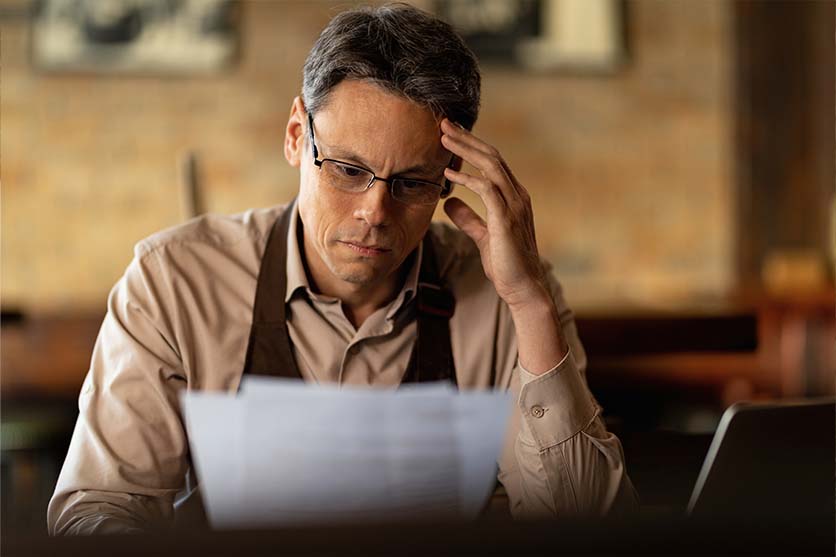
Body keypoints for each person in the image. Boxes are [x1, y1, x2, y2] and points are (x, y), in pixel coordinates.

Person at [48, 3, 638, 535]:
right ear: (297, 135)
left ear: (450, 174)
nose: (375, 213)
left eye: (411, 182)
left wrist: (529, 303)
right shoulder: (174, 281)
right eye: (347, 170)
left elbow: (584, 529)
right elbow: (98, 508)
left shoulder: (511, 296)